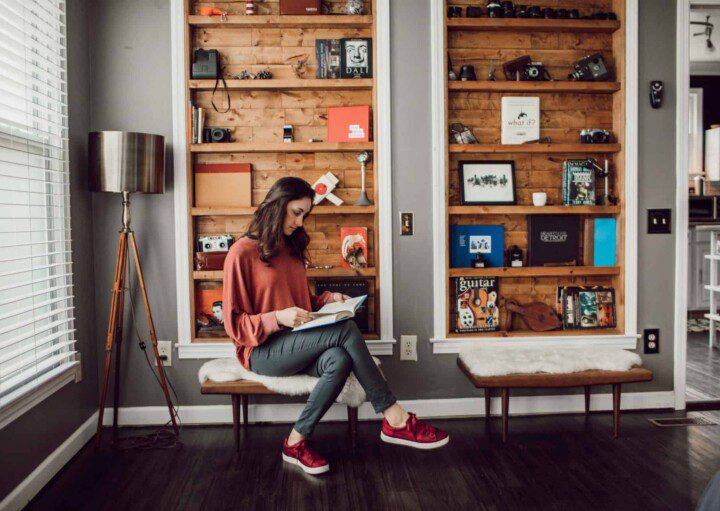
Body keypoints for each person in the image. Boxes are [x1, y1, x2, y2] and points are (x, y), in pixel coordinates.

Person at [223, 177, 449, 475]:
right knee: (345, 331)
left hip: (298, 343)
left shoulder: (291, 250)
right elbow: (234, 325)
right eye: (295, 212)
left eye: (304, 214)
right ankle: (394, 417)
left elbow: (301, 304)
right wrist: (277, 318)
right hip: (263, 352)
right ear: (276, 207)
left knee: (339, 359)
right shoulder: (242, 252)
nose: (300, 221)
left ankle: (295, 441)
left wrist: (330, 299)